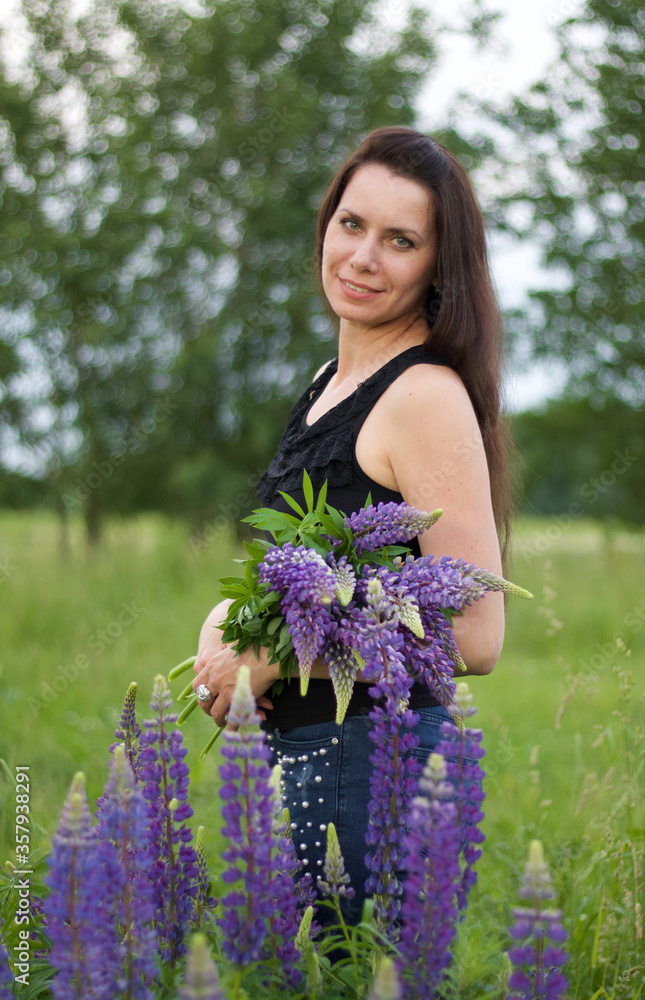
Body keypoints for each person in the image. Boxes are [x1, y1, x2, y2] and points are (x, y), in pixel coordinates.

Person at [192, 126, 512, 924]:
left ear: (438, 268)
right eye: (351, 224)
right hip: (299, 755)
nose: (364, 257)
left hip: (376, 764)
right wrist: (229, 620)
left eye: (400, 240)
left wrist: (273, 655)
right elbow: (300, 573)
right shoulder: (328, 379)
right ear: (326, 226)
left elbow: (474, 636)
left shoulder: (425, 396)